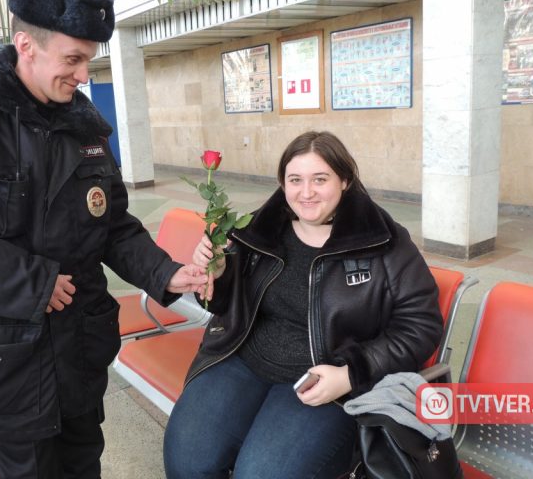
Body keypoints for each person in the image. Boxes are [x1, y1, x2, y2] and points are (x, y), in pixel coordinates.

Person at [0, 0, 208, 477]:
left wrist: (163, 272)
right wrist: (33, 283)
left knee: (83, 464)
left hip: (79, 347)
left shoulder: (84, 126)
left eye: (90, 60)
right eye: (74, 59)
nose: (84, 75)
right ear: (26, 45)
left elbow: (113, 222)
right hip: (6, 356)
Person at [163, 131, 444, 479]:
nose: (306, 192)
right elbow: (222, 303)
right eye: (295, 180)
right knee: (187, 463)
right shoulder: (258, 229)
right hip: (242, 360)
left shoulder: (383, 239)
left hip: (323, 381)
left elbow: (421, 325)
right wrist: (218, 274)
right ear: (283, 183)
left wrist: (350, 374)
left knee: (261, 474)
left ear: (345, 180)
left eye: (320, 179)